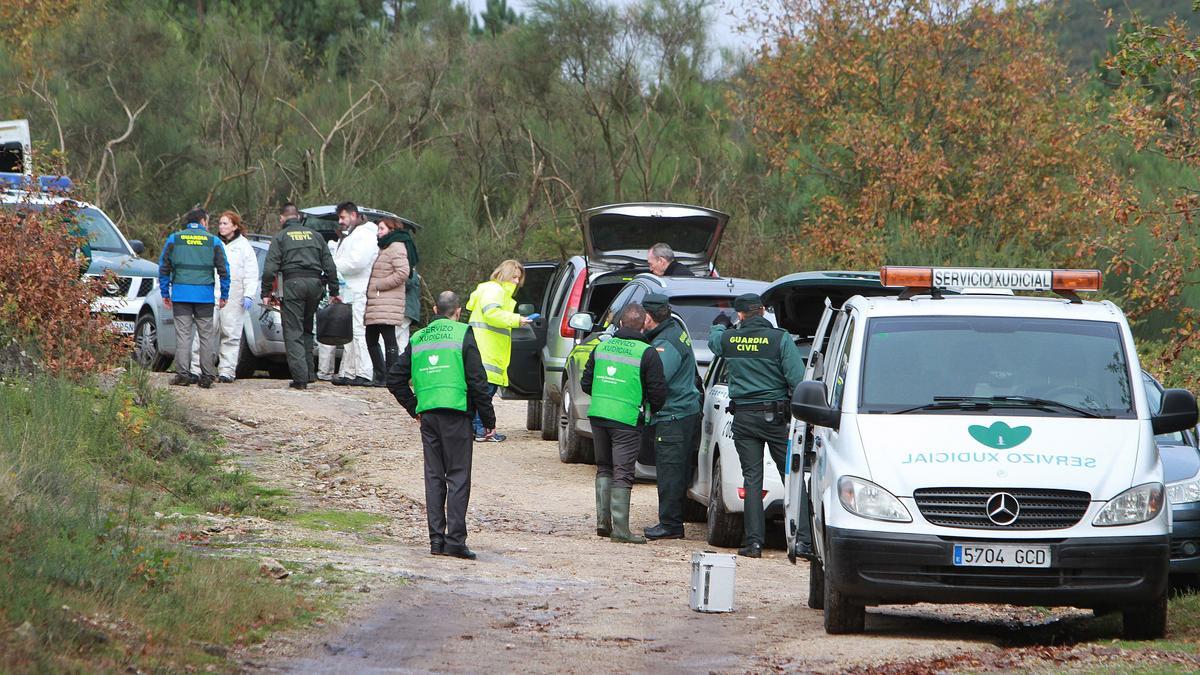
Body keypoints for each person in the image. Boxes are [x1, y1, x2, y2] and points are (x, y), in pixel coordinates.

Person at [388, 291, 495, 561]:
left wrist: (414, 408)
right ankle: (455, 541)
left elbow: (394, 379)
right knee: (458, 477)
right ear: (458, 311)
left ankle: (436, 541)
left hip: (430, 416)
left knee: (435, 477)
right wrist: (488, 420)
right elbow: (477, 381)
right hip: (457, 414)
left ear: (435, 309)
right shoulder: (463, 334)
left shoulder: (419, 337)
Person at [708, 293, 806, 558]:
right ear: (762, 311)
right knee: (792, 477)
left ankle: (753, 543)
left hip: (744, 419)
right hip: (774, 419)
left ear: (740, 315)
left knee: (752, 480)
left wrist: (720, 325)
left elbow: (714, 341)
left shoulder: (729, 339)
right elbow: (798, 380)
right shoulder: (780, 338)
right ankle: (805, 541)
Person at [581, 303, 667, 544]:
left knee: (604, 467)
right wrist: (646, 410)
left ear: (619, 324)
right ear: (643, 325)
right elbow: (658, 391)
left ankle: (602, 522)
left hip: (599, 414)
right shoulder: (647, 352)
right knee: (623, 472)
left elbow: (586, 383)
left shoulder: (602, 347)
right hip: (627, 419)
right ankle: (620, 530)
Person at [640, 294, 701, 541]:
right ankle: (674, 518)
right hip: (683, 412)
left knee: (670, 471)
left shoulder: (666, 343)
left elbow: (657, 380)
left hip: (674, 415)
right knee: (676, 470)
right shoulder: (673, 331)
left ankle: (670, 525)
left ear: (648, 317)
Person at [261, 203, 340, 390]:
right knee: (306, 328)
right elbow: (330, 265)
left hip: (293, 285)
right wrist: (334, 291)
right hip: (315, 286)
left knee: (293, 331)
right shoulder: (315, 235)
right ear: (298, 217)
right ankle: (309, 374)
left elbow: (270, 268)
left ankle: (300, 378)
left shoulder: (280, 237)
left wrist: (266, 293)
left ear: (282, 218)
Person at [158, 208, 230, 389]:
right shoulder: (213, 241)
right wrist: (224, 295)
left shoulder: (174, 239)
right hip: (204, 296)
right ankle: (207, 376)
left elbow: (164, 267)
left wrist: (165, 293)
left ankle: (182, 374)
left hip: (181, 295)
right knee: (206, 337)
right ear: (203, 222)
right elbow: (224, 270)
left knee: (183, 336)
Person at [189, 211, 260, 383]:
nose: (221, 227)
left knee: (231, 333)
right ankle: (196, 368)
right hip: (211, 293)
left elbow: (251, 273)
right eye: (220, 223)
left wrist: (249, 294)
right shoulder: (213, 243)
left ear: (235, 226)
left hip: (235, 294)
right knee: (204, 332)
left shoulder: (244, 247)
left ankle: (227, 371)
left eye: (225, 224)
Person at [465, 260, 532, 442]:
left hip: (486, 349)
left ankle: (475, 429)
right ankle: (482, 431)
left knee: (480, 392)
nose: (517, 281)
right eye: (514, 277)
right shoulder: (495, 290)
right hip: (487, 350)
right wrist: (517, 319)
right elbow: (492, 314)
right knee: (484, 393)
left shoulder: (492, 290)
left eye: (519, 278)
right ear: (504, 274)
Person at [330, 202, 379, 386]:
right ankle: (349, 371)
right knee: (349, 333)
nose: (340, 221)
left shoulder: (365, 233)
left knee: (360, 331)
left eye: (343, 217)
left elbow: (357, 262)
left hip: (361, 290)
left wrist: (333, 266)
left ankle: (365, 371)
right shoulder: (353, 234)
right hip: (350, 290)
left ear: (353, 215)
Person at [364, 217, 410, 387]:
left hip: (387, 301)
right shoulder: (385, 248)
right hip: (378, 302)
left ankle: (389, 377)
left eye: (382, 228)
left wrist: (379, 284)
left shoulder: (396, 247)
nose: (379, 232)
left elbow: (403, 272)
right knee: (371, 338)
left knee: (388, 338)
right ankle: (381, 375)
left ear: (391, 229)